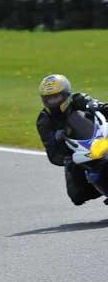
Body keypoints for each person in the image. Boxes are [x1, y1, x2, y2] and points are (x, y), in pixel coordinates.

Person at [36, 74, 108, 205]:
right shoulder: (44, 121)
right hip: (77, 155)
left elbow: (100, 107)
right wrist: (66, 155)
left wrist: (99, 107)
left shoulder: (79, 100)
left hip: (101, 141)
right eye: (49, 99)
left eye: (56, 97)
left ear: (66, 94)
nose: (52, 102)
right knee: (77, 195)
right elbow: (53, 155)